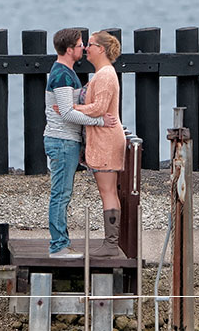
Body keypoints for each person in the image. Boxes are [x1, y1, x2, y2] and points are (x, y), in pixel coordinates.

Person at [44, 28, 117, 258]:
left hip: (67, 141)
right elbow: (66, 113)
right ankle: (58, 246)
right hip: (62, 140)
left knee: (63, 193)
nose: (83, 48)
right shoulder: (62, 75)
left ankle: (61, 243)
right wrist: (99, 121)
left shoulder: (68, 73)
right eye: (79, 45)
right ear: (68, 50)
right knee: (61, 194)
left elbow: (68, 109)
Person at [72, 30, 126, 258]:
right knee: (108, 190)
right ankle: (110, 243)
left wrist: (70, 109)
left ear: (101, 49)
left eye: (91, 45)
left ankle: (111, 244)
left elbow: (99, 109)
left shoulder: (104, 75)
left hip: (107, 141)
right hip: (103, 139)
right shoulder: (103, 74)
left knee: (108, 191)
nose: (86, 48)